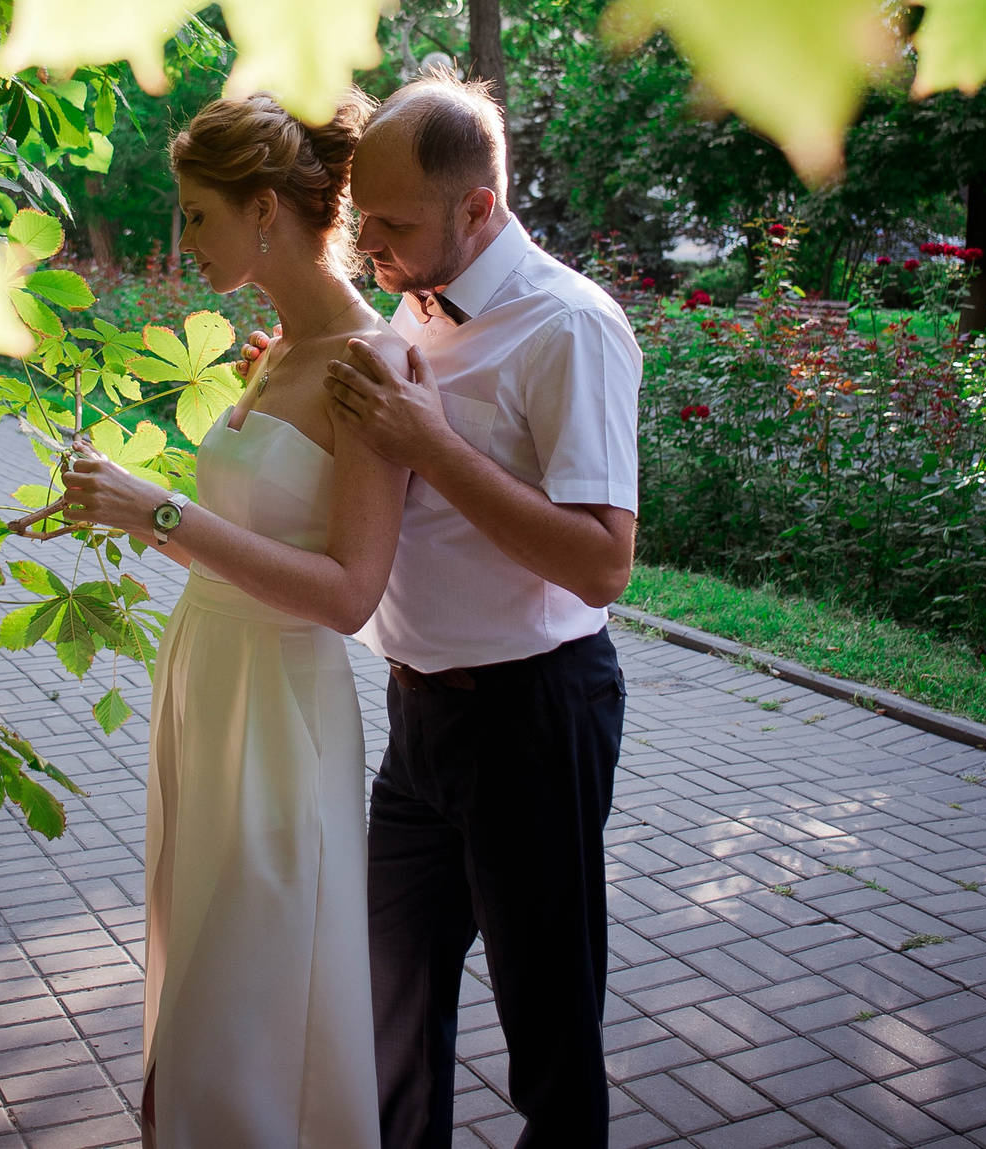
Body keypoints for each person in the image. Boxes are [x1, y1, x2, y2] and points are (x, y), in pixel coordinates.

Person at [56, 90, 405, 1149]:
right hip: (206, 682)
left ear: (263, 210)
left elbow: (348, 593)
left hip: (281, 710)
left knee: (251, 1001)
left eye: (198, 213)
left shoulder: (367, 362)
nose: (185, 235)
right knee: (194, 977)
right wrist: (125, 507)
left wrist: (159, 509)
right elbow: (238, 538)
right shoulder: (280, 347)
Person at [325, 68, 642, 1149]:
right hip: (417, 721)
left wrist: (433, 444)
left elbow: (603, 565)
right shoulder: (413, 300)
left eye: (393, 222)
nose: (367, 242)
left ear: (478, 205)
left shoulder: (570, 326)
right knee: (390, 1008)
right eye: (359, 216)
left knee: (547, 1024)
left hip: (532, 720)